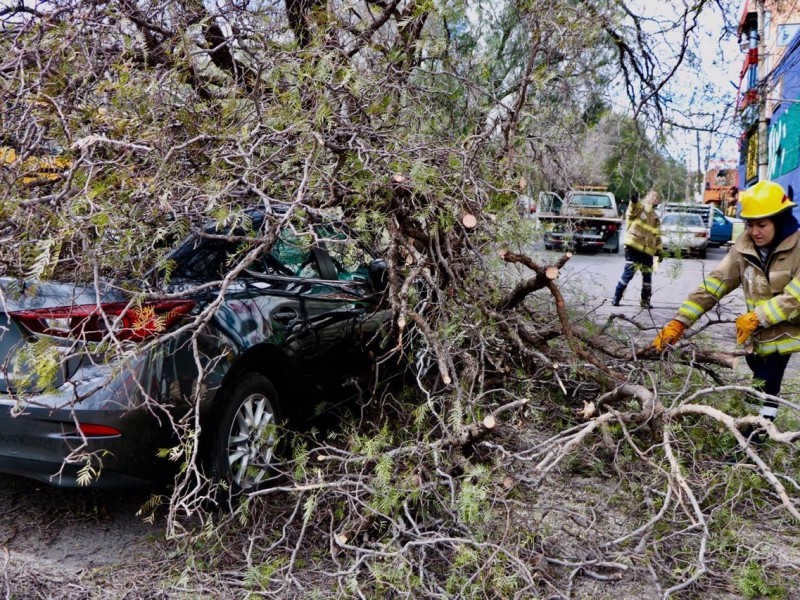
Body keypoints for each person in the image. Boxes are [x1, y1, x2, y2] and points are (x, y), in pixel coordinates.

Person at [653, 180, 800, 440]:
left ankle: (753, 440)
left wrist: (758, 316)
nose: (754, 231)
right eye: (750, 224)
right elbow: (714, 285)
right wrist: (679, 322)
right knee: (761, 380)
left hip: (789, 330)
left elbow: (796, 296)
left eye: (762, 225)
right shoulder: (743, 247)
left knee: (764, 384)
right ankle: (759, 430)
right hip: (759, 335)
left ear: (781, 219)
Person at [611, 190, 663, 309]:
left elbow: (657, 236)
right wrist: (633, 201)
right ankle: (616, 298)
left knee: (647, 277)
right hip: (633, 247)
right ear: (648, 197)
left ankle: (645, 302)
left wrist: (659, 251)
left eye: (657, 198)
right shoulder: (639, 207)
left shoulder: (655, 217)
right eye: (654, 197)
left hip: (647, 251)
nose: (656, 199)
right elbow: (631, 211)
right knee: (628, 274)